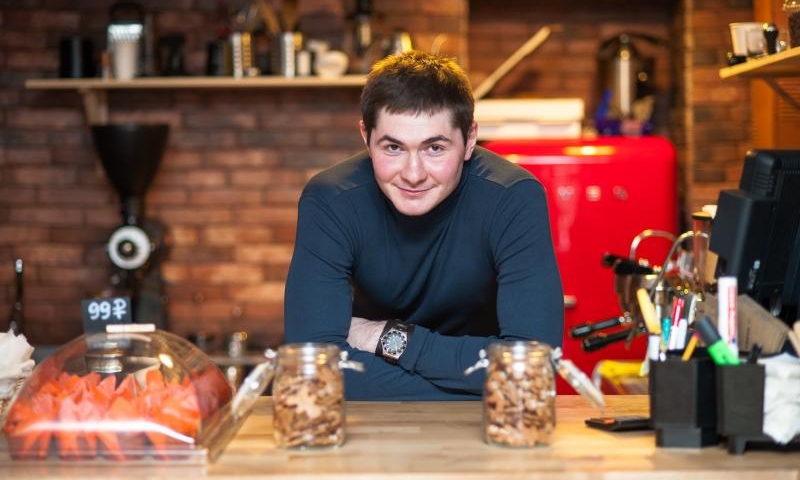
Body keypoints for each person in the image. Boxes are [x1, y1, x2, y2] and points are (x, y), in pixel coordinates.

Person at [284, 50, 563, 400]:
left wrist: (388, 337)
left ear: (470, 140)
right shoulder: (331, 201)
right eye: (393, 147)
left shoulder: (513, 198)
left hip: (486, 424)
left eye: (434, 148)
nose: (413, 174)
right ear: (366, 137)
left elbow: (535, 369)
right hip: (381, 423)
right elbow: (312, 371)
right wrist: (481, 383)